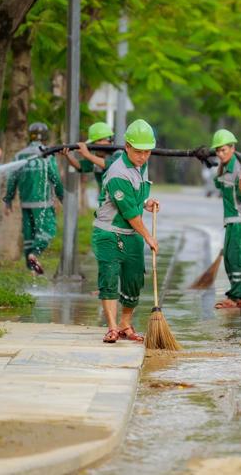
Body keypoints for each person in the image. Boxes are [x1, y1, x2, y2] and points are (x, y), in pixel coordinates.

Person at [92, 119, 160, 344]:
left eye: (147, 152)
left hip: (130, 235)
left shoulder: (142, 165)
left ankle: (125, 323)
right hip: (109, 233)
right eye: (138, 151)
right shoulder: (117, 173)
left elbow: (136, 197)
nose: (143, 156)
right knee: (109, 278)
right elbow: (130, 213)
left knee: (133, 280)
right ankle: (111, 327)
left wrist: (147, 202)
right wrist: (148, 236)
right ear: (127, 147)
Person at [3, 122, 64, 275]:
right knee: (47, 230)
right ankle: (34, 254)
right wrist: (62, 197)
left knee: (29, 234)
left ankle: (32, 270)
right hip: (43, 202)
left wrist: (8, 199)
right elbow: (54, 177)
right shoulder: (47, 154)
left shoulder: (19, 155)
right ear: (45, 137)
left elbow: (12, 179)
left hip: (26, 202)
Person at [211, 128, 241, 309]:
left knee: (235, 259)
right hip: (231, 220)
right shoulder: (225, 166)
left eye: (224, 150)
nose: (221, 154)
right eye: (218, 151)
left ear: (233, 148)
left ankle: (235, 297)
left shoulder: (238, 166)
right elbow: (217, 184)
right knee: (230, 258)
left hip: (240, 220)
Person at [62, 121, 122, 206]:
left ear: (110, 140)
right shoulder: (96, 158)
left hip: (121, 202)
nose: (100, 144)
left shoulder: (118, 155)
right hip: (105, 203)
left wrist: (87, 154)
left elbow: (109, 165)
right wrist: (67, 155)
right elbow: (79, 166)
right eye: (97, 141)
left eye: (103, 140)